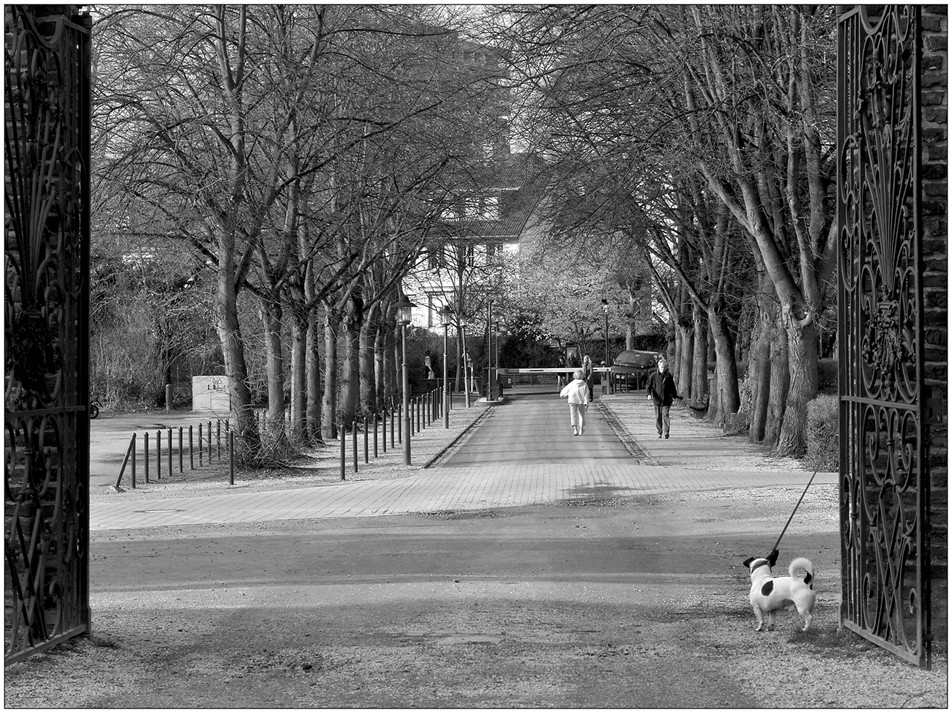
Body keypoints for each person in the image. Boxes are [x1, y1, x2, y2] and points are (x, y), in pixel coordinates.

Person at [646, 357, 680, 439]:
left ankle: (666, 432)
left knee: (665, 415)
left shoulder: (669, 376)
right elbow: (648, 386)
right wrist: (648, 394)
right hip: (657, 400)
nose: (663, 369)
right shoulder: (653, 376)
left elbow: (672, 387)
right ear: (658, 366)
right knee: (658, 416)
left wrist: (674, 396)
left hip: (667, 400)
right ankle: (659, 431)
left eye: (664, 367)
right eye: (661, 367)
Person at [559, 369, 590, 436]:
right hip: (581, 401)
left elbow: (565, 390)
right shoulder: (584, 384)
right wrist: (586, 403)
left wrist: (562, 395)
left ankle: (575, 429)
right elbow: (586, 394)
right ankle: (581, 429)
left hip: (572, 400)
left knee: (573, 415)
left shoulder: (572, 383)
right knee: (581, 415)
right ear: (582, 376)